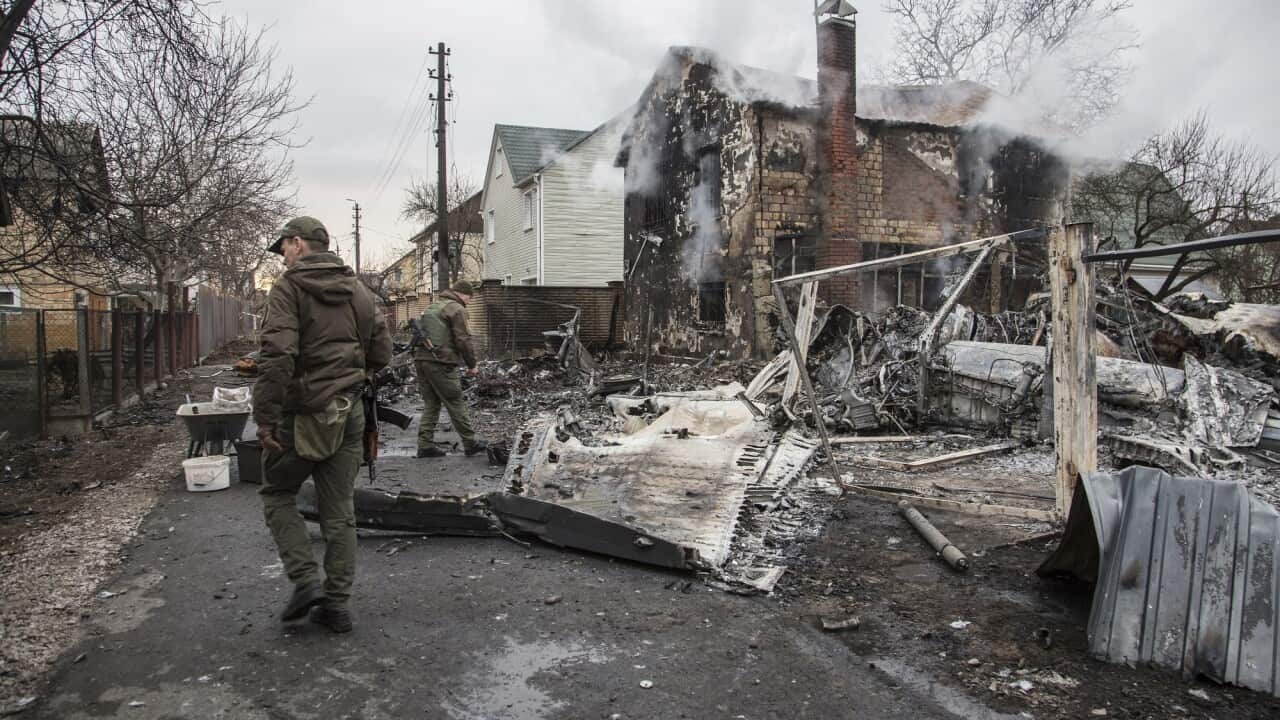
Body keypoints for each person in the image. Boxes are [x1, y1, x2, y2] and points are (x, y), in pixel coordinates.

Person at [253, 216, 392, 634]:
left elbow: (277, 354)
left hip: (301, 415)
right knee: (339, 511)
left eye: (283, 249)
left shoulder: (289, 288)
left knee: (278, 494)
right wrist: (350, 371)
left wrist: (264, 417)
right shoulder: (360, 291)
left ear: (298, 243)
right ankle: (336, 605)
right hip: (348, 412)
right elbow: (382, 352)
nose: (281, 257)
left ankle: (305, 581)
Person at [414, 279, 488, 458]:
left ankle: (425, 445)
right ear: (463, 294)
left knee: (431, 403)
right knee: (455, 401)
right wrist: (472, 365)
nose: (469, 302)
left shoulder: (434, 306)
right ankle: (470, 442)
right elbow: (463, 340)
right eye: (469, 298)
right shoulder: (457, 309)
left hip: (421, 359)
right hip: (441, 362)